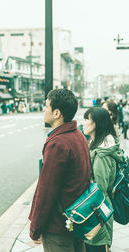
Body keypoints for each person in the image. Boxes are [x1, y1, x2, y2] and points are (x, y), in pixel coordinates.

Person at [29, 89, 90, 252]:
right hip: (77, 220)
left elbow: (46, 191)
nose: (43, 109)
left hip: (58, 227)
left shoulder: (58, 143)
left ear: (57, 113)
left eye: (46, 105)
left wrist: (35, 228)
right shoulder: (78, 135)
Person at [82, 107, 123, 252]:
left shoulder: (101, 155)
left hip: (97, 215)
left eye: (87, 119)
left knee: (98, 247)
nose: (83, 122)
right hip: (97, 212)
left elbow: (99, 188)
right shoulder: (96, 146)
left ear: (97, 124)